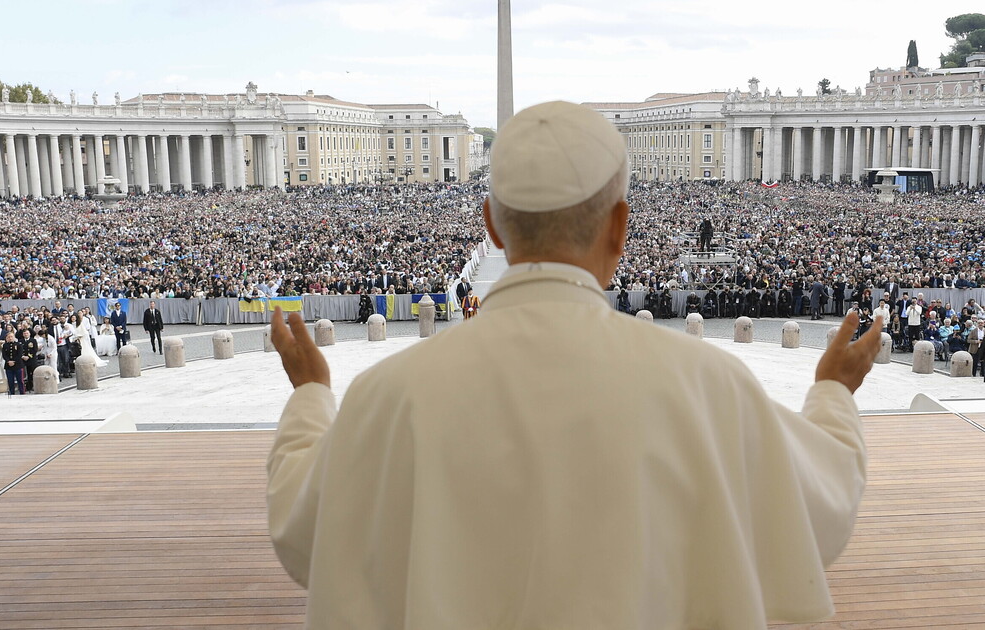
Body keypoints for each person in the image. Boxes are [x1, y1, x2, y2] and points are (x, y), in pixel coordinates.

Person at [267, 101, 883, 628]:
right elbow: (823, 513)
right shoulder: (709, 386)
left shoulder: (385, 395)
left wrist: (311, 393)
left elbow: (301, 533)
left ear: (493, 228)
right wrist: (832, 391)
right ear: (620, 228)